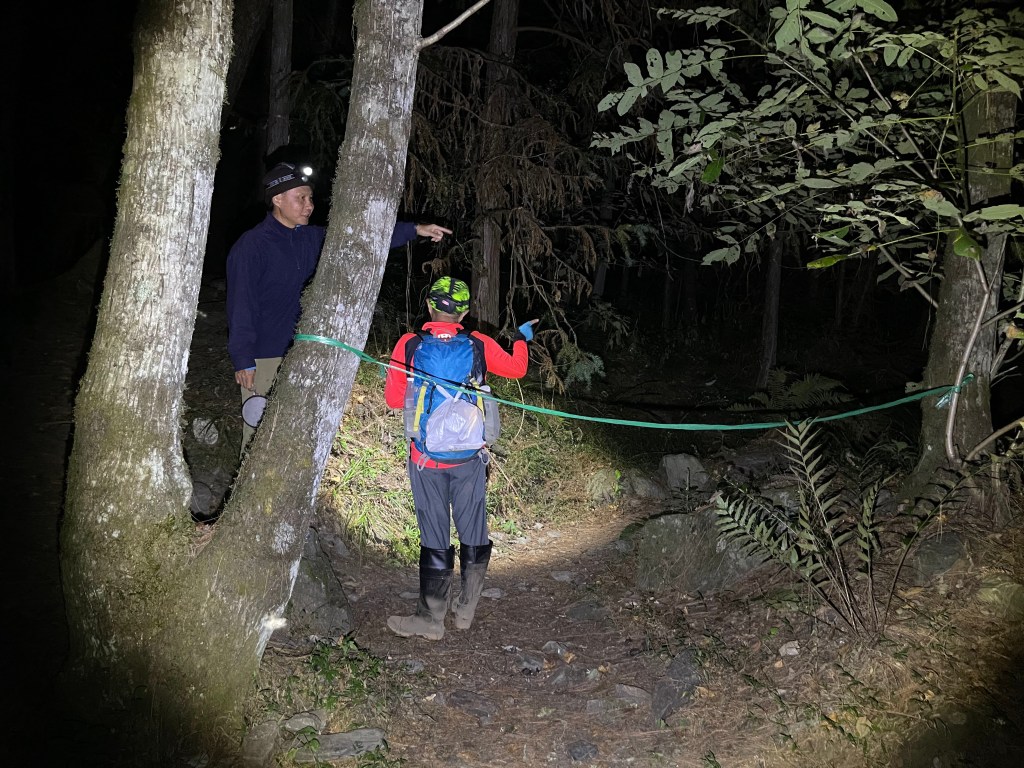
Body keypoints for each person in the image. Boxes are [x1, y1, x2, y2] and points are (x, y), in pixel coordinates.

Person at [227, 162, 452, 452]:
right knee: (259, 434)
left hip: (305, 350)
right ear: (277, 199)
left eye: (310, 198)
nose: (309, 205)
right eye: (300, 198)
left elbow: (361, 239)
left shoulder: (311, 238)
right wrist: (243, 357)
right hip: (264, 355)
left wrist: (415, 229)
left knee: (296, 430)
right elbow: (241, 305)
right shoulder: (252, 246)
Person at [383, 277, 538, 640]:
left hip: (426, 458)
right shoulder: (478, 343)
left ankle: (431, 618)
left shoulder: (409, 344)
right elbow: (517, 369)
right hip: (469, 457)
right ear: (464, 313)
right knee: (474, 530)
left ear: (429, 306)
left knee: (434, 534)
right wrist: (521, 338)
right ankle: (465, 610)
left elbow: (393, 400)